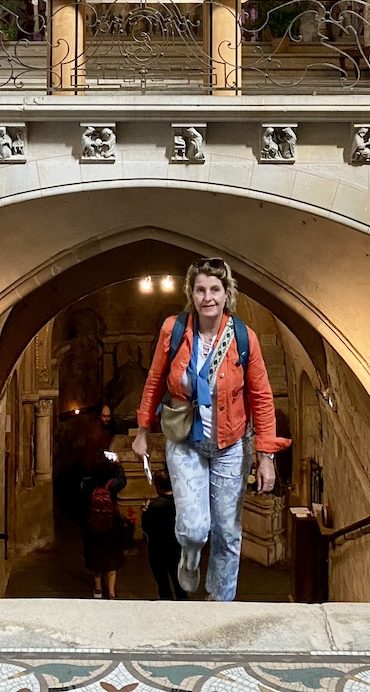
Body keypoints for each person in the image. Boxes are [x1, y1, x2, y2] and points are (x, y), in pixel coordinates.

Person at [132, 257, 290, 602]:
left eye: (215, 289)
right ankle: (189, 555)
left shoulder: (243, 338)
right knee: (194, 530)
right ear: (191, 293)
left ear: (226, 293)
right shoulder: (173, 331)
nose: (208, 297)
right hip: (185, 442)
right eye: (201, 289)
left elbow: (262, 397)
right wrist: (142, 429)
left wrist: (266, 457)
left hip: (231, 445)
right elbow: (155, 380)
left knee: (228, 533)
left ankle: (220, 603)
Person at [80, 452, 127, 599]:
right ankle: (112, 593)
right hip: (111, 527)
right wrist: (118, 465)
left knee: (96, 558)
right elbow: (123, 481)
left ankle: (98, 590)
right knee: (112, 560)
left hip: (92, 527)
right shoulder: (112, 485)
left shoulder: (87, 485)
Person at [141, 471, 187, 600]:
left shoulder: (155, 506)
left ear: (159, 487)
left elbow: (147, 527)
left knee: (163, 583)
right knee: (179, 583)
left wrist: (145, 512)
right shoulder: (182, 503)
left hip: (158, 549)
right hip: (177, 547)